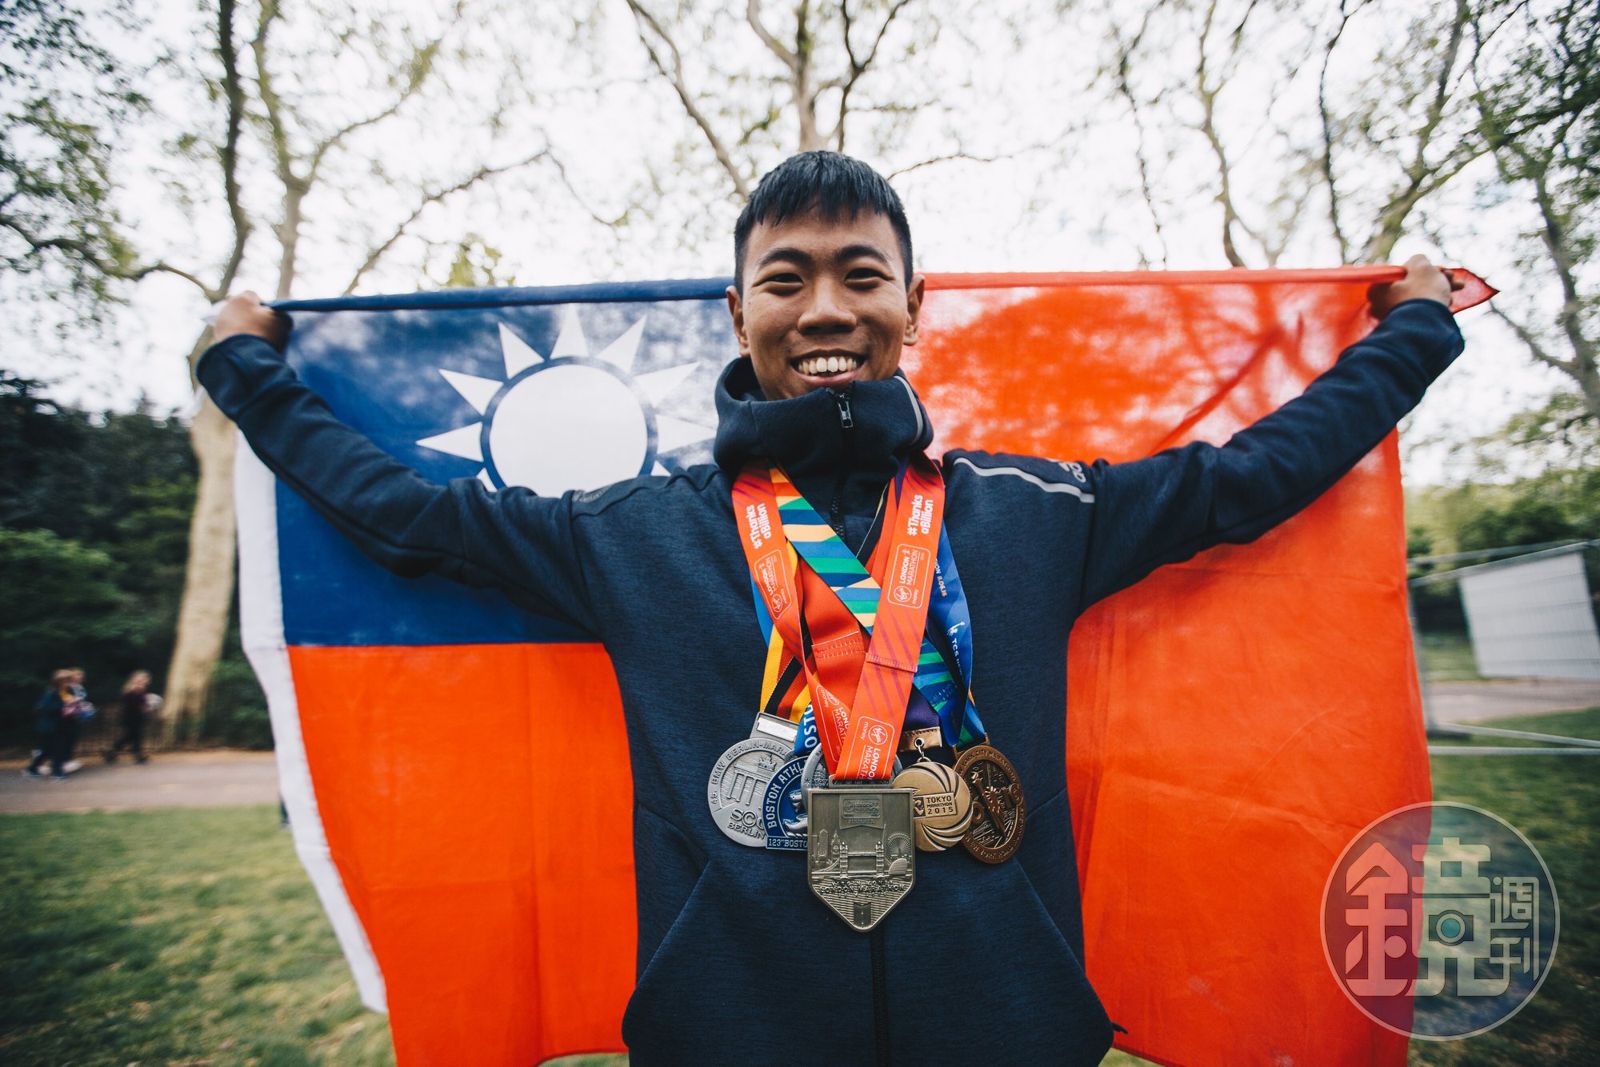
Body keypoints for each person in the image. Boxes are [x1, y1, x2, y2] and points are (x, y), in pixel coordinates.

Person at [201, 151, 1464, 1065]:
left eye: (862, 275)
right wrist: (242, 368)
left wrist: (1409, 333)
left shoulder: (1037, 511)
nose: (824, 309)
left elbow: (1249, 478)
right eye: (785, 278)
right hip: (725, 1031)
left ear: (914, 308)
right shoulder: (626, 532)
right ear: (737, 309)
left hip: (1006, 1025)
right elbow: (406, 514)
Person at [24, 669, 74, 781]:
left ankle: (32, 769)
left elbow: (68, 708)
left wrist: (74, 707)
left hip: (61, 726)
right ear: (58, 682)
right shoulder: (51, 693)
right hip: (50, 727)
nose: (68, 683)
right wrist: (64, 706)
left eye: (69, 681)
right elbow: (44, 708)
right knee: (57, 749)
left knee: (47, 750)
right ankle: (57, 773)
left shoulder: (66, 692)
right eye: (66, 681)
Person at [105, 670, 153, 764]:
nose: (144, 680)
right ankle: (137, 755)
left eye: (145, 679)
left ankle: (112, 752)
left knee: (132, 736)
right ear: (135, 679)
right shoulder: (131, 689)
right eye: (142, 679)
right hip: (130, 717)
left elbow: (142, 703)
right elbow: (130, 704)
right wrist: (143, 707)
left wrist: (146, 707)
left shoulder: (142, 690)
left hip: (138, 717)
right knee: (132, 736)